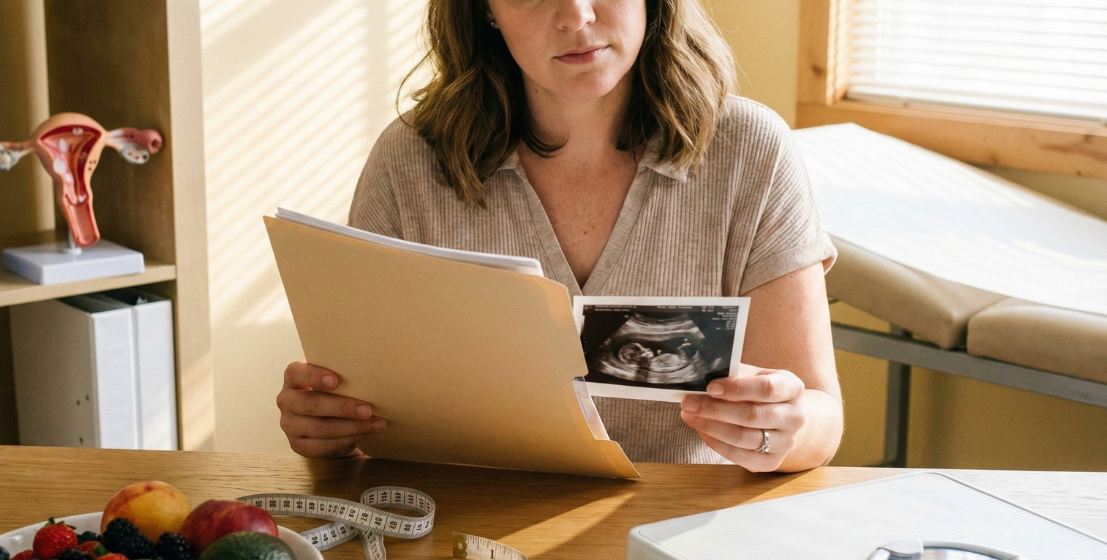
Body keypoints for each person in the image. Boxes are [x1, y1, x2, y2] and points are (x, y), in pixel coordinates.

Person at [276, 0, 843, 472]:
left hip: (678, 540)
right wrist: (329, 427)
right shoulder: (408, 161)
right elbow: (361, 409)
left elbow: (821, 418)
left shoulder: (752, 152)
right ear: (486, 10)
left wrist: (782, 428)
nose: (575, 14)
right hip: (460, 536)